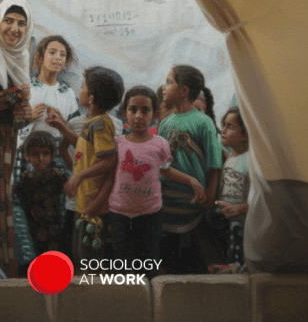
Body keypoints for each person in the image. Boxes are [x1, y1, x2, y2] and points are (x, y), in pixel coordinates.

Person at [105, 86, 205, 277]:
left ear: (155, 114)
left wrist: (191, 180)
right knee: (121, 263)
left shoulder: (160, 144)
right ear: (125, 113)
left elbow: (166, 171)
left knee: (149, 262)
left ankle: (150, 300)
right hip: (119, 213)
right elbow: (107, 173)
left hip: (150, 214)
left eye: (145, 110)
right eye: (133, 110)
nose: (139, 116)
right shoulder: (117, 144)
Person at [13, 34, 79, 265]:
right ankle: (28, 263)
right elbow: (12, 124)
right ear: (40, 57)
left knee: (58, 214)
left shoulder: (67, 93)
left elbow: (71, 132)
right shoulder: (27, 87)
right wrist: (30, 118)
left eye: (62, 54)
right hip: (27, 158)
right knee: (27, 213)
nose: (57, 58)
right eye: (52, 52)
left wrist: (61, 122)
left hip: (56, 160)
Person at [0, 0, 33, 277]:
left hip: (7, 147)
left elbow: (14, 113)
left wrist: (22, 114)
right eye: (9, 21)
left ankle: (7, 273)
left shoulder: (20, 57)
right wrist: (16, 96)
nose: (15, 29)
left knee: (3, 204)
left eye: (22, 23)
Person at [50, 66, 123, 260]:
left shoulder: (99, 124)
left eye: (82, 87)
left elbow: (110, 161)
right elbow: (86, 152)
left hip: (93, 205)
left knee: (90, 258)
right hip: (85, 202)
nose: (79, 90)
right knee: (82, 254)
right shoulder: (92, 123)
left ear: (91, 98)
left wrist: (79, 176)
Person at [158, 65, 224, 272]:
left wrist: (210, 197)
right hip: (167, 204)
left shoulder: (204, 123)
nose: (163, 87)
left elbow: (214, 164)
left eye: (169, 82)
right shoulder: (166, 123)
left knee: (192, 262)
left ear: (184, 91)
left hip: (194, 206)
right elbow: (162, 165)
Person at [12, 132, 68, 272]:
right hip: (33, 234)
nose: (41, 158)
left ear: (52, 155)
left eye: (45, 153)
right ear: (27, 156)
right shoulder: (23, 182)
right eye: (35, 154)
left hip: (56, 234)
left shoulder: (59, 178)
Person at [208, 106, 250, 270]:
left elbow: (258, 196)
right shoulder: (229, 156)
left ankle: (235, 268)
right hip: (225, 218)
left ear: (245, 134)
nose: (223, 131)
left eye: (230, 127)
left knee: (237, 251)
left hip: (241, 220)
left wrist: (239, 208)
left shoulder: (250, 161)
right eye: (224, 125)